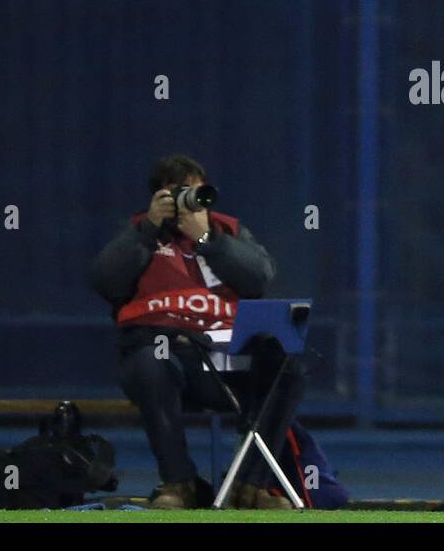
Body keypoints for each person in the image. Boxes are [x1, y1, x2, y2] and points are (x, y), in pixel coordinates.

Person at [88, 153, 303, 509]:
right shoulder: (139, 231)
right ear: (158, 198)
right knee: (152, 362)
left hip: (224, 355)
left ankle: (249, 486)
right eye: (178, 195)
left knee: (289, 362)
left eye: (196, 194)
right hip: (165, 354)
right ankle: (180, 484)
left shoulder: (226, 230)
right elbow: (105, 280)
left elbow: (258, 278)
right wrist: (148, 230)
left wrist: (207, 240)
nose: (189, 203)